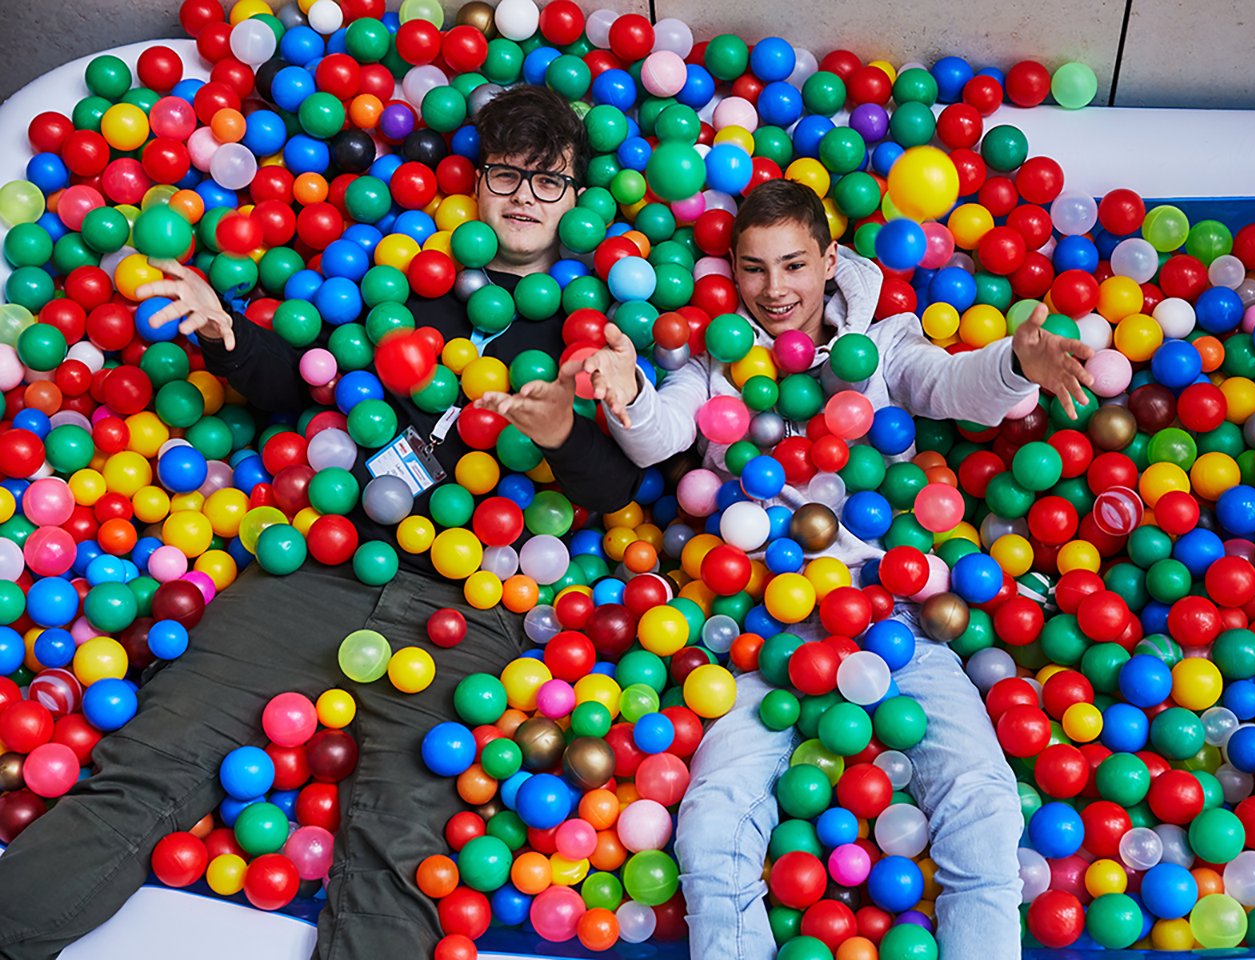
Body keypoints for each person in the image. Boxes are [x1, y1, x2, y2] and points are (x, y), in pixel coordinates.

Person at [0, 86, 642, 960]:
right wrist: (227, 333)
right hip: (318, 564)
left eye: (547, 181)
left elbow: (613, 492)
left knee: (401, 849)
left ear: (575, 199)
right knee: (153, 761)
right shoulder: (408, 281)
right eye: (507, 175)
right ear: (479, 184)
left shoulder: (591, 332)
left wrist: (566, 432)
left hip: (466, 606)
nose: (525, 196)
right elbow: (306, 381)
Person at [585, 178, 1096, 959]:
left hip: (895, 620)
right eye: (754, 269)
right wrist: (626, 392)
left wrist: (1014, 363)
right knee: (713, 825)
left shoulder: (882, 343)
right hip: (766, 633)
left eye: (793, 265)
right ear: (733, 268)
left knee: (985, 807)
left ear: (830, 262)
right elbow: (662, 434)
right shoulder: (717, 357)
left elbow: (952, 383)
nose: (775, 289)